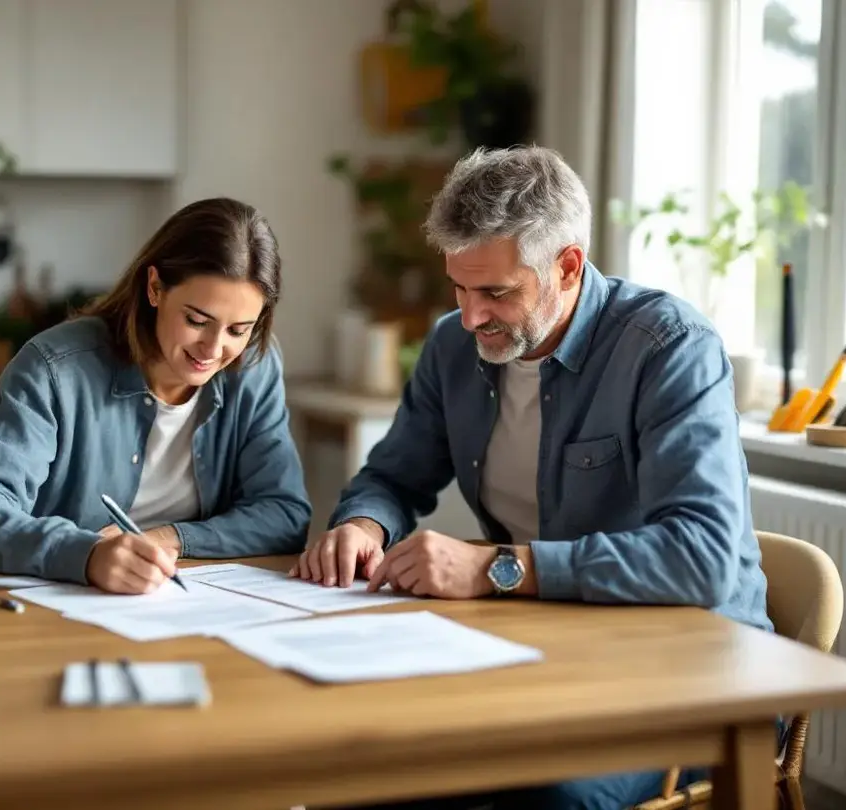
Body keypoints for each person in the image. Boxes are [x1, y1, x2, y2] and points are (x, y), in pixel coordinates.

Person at [292, 146, 774, 810]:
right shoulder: (451, 347)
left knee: (552, 793)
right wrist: (362, 522)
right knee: (375, 761)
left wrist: (497, 569)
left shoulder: (669, 349)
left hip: (697, 666)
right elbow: (394, 477)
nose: (470, 317)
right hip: (549, 647)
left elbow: (704, 560)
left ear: (567, 266)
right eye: (459, 289)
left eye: (496, 292)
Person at [0, 197, 311, 594]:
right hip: (57, 613)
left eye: (239, 330)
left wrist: (169, 538)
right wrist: (86, 554)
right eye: (197, 320)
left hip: (187, 605)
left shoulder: (254, 366)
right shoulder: (56, 367)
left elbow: (284, 514)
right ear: (154, 288)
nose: (214, 349)